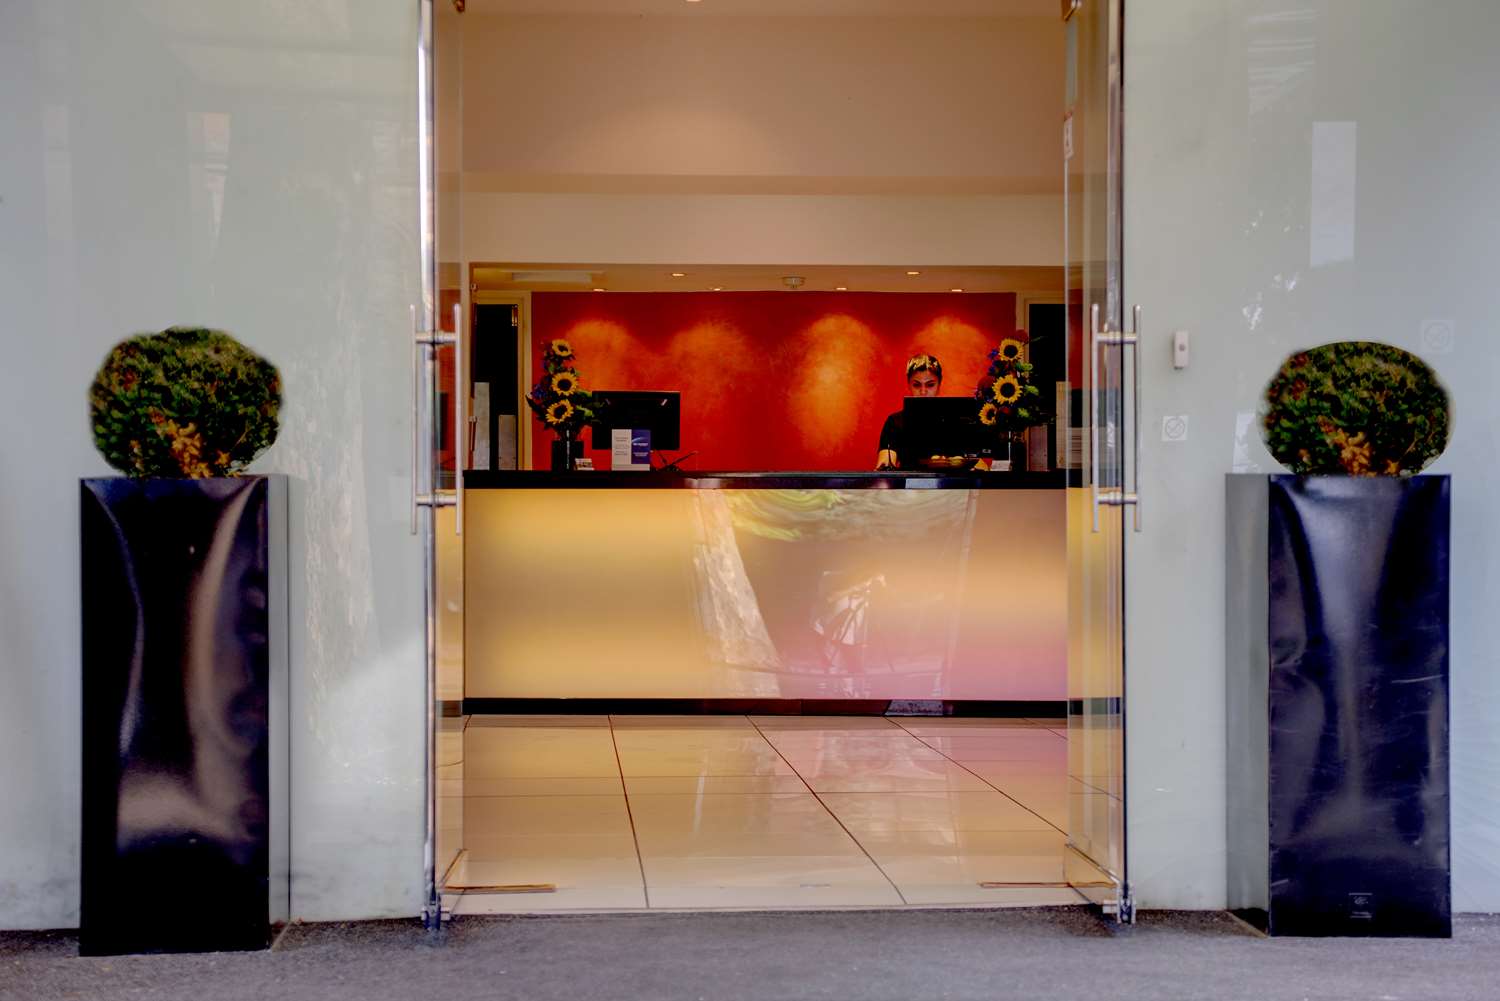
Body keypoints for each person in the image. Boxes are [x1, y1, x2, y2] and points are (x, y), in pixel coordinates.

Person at [875, 354, 952, 470]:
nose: (923, 392)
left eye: (930, 385)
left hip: (950, 487)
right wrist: (884, 467)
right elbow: (885, 462)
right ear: (909, 385)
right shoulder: (895, 422)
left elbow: (977, 463)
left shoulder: (953, 420)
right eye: (916, 385)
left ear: (939, 384)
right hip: (908, 486)